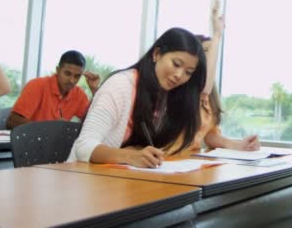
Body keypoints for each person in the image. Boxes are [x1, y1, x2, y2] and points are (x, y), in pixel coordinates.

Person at [67, 27, 207, 168]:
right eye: (176, 64)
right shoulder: (120, 85)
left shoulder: (166, 95)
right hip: (84, 179)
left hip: (123, 181)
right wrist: (130, 156)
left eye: (188, 72)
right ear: (156, 54)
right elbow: (83, 147)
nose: (179, 75)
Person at [173, 0, 260, 156]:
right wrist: (217, 34)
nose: (210, 56)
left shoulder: (210, 95)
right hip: (170, 160)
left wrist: (238, 145)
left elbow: (209, 134)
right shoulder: (182, 87)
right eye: (206, 51)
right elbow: (204, 84)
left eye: (212, 51)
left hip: (193, 160)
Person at [6, 50, 100, 129]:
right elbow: (12, 121)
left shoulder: (79, 95)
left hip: (55, 146)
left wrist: (95, 90)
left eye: (77, 76)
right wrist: (50, 127)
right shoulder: (37, 85)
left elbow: (94, 123)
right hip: (29, 144)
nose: (71, 80)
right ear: (58, 70)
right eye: (67, 73)